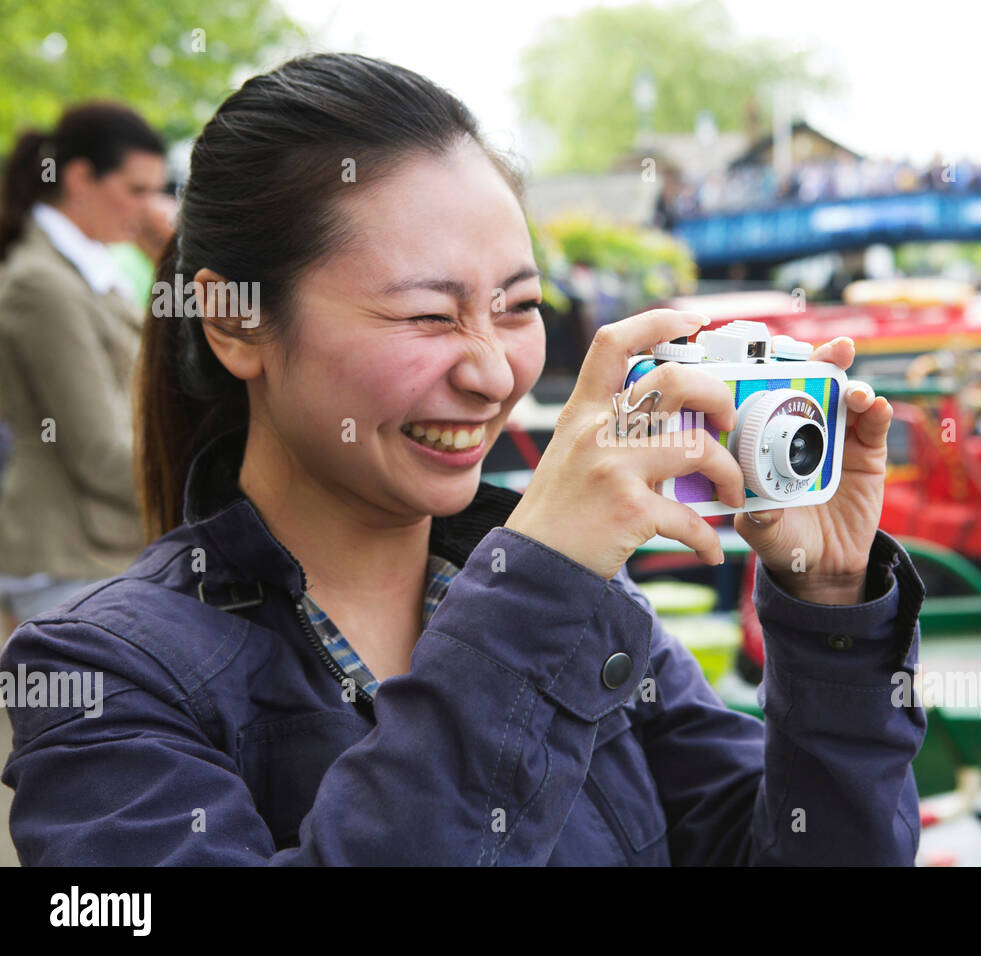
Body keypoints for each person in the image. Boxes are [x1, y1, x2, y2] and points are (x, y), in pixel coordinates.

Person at [0, 54, 926, 865]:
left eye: (518, 307)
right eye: (427, 314)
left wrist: (831, 612)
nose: (494, 374)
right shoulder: (102, 676)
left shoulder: (601, 621)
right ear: (239, 320)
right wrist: (543, 583)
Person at [0, 103, 167, 628]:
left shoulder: (94, 268)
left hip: (100, 552)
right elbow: (100, 451)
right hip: (73, 557)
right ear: (79, 178)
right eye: (136, 190)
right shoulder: (43, 284)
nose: (150, 208)